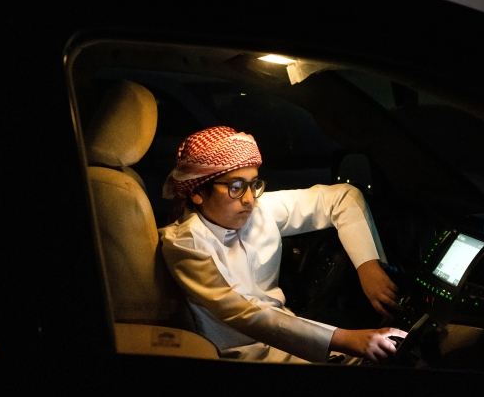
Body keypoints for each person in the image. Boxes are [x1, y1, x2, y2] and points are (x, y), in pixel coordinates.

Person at [159, 126, 406, 364]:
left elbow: (342, 197)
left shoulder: (259, 209)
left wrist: (368, 267)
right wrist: (347, 339)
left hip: (290, 341)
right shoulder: (184, 244)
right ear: (197, 192)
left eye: (254, 184)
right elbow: (248, 315)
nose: (249, 199)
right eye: (235, 187)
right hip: (239, 358)